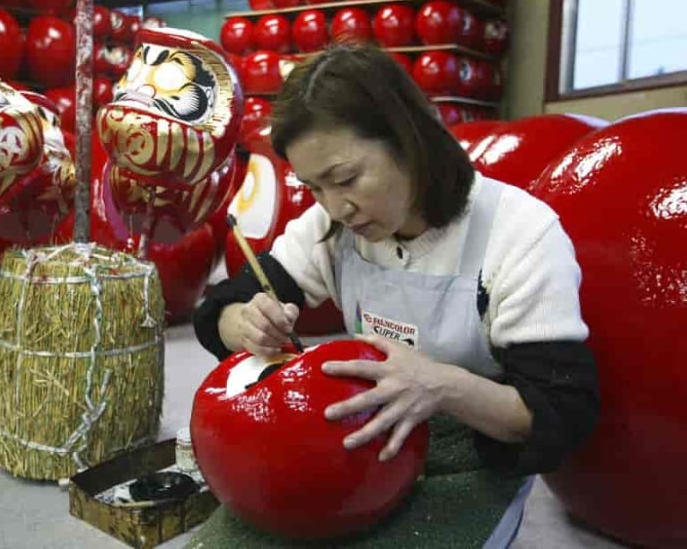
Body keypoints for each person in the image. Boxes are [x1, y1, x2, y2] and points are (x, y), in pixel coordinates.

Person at [192, 43, 600, 547]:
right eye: (314, 188)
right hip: (367, 442)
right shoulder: (332, 228)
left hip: (473, 449)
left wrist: (442, 386)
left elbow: (559, 415)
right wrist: (242, 321)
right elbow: (227, 303)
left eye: (345, 179)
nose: (336, 207)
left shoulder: (519, 233)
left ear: (410, 140)